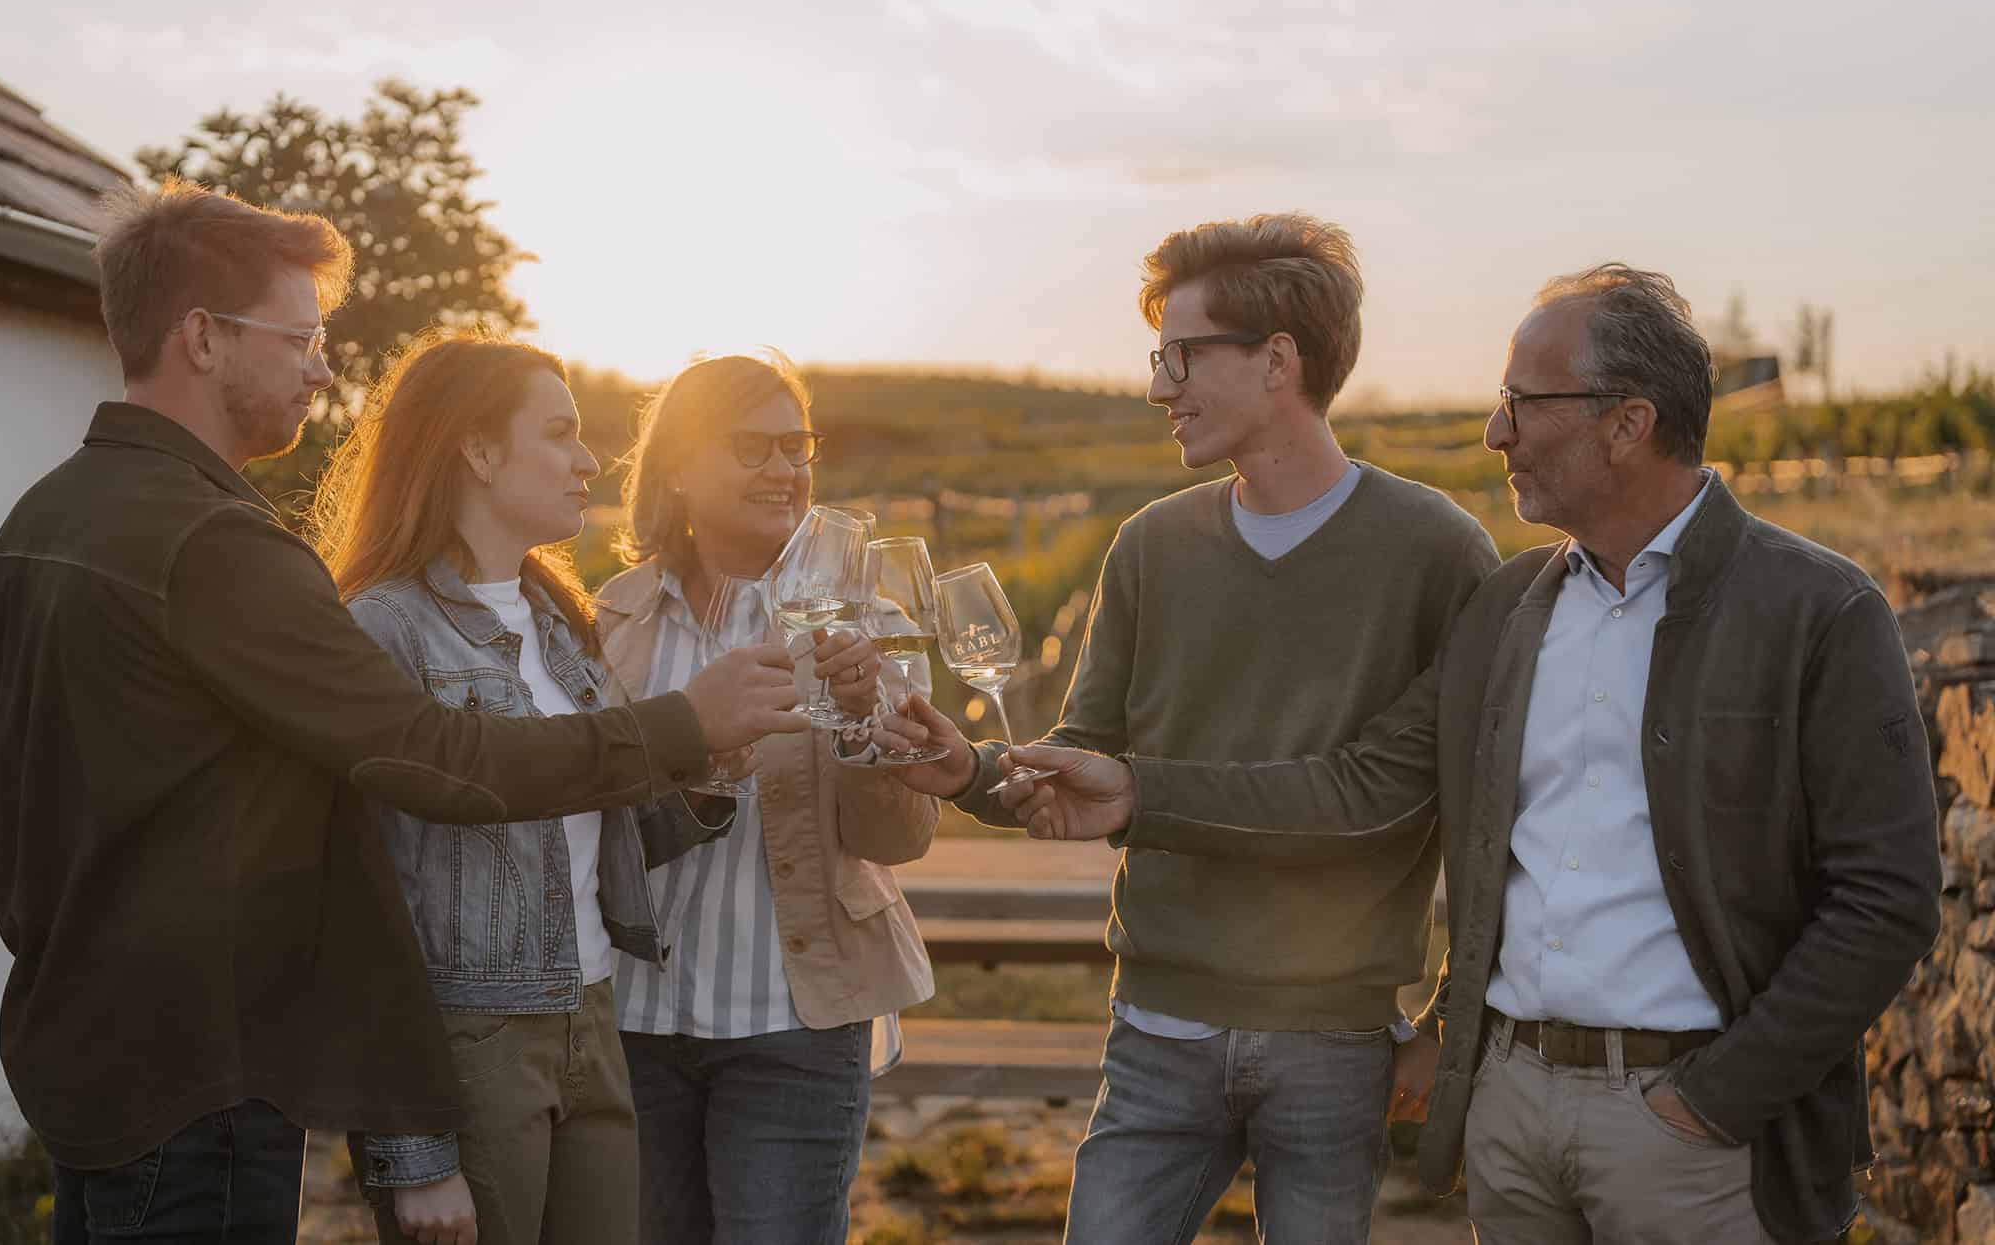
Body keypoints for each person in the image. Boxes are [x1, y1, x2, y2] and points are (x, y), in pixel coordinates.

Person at [1000, 265, 1944, 1245]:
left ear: (1626, 422)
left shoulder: (1819, 611)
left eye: (1521, 405)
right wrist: (1127, 791)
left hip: (1696, 1137)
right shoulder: (1506, 610)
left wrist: (1717, 1097)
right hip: (1512, 1125)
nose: (1495, 431)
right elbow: (1376, 791)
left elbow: (1886, 895)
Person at [0, 180, 805, 1245]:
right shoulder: (216, 548)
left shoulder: (44, 515)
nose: (322, 368)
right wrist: (678, 724)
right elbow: (432, 763)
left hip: (95, 1054)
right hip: (201, 1068)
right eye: (299, 338)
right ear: (201, 337)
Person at [882, 214, 1498, 1244]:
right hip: (1155, 1030)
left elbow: (1391, 796)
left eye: (1179, 355)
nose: (1157, 385)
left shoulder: (1436, 553)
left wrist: (1443, 1019)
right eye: (1153, 356)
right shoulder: (1148, 547)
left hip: (1334, 1039)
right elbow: (1089, 759)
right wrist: (970, 770)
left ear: (1275, 361)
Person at [307, 332, 754, 1244]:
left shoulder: (558, 617)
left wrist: (706, 768)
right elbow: (361, 906)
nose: (589, 460)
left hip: (593, 1014)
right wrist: (415, 1150)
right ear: (474, 449)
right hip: (473, 1043)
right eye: (558, 432)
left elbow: (583, 839)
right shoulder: (382, 628)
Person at [604, 351, 941, 1245]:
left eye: (797, 445)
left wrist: (869, 726)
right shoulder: (611, 616)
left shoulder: (864, 615)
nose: (785, 469)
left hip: (793, 1022)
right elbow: (588, 822)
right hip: (635, 1025)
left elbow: (900, 837)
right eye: (752, 446)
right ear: (677, 463)